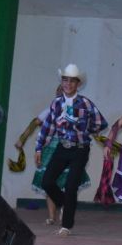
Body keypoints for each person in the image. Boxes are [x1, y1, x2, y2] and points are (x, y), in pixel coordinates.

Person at [35, 64, 108, 236]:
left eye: (72, 81)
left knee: (71, 185)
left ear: (78, 84)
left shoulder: (85, 103)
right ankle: (66, 205)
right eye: (65, 80)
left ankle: (66, 226)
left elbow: (101, 123)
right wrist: (39, 148)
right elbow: (48, 127)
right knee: (47, 182)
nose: (67, 83)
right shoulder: (56, 103)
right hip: (62, 147)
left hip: (80, 149)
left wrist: (83, 129)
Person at [20, 85, 92, 225]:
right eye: (59, 92)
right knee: (48, 182)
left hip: (72, 149)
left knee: (70, 183)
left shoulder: (80, 108)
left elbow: (93, 124)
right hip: (53, 151)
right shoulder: (52, 108)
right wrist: (23, 139)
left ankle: (66, 216)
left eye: (64, 91)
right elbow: (37, 123)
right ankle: (53, 215)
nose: (62, 94)